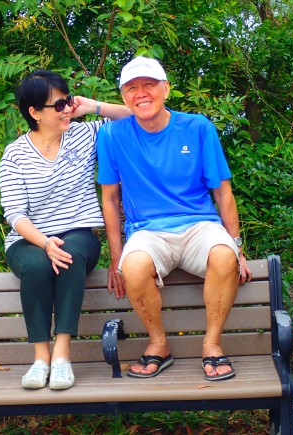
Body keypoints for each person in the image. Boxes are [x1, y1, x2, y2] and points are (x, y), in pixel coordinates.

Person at [96, 57, 253, 381]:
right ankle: (158, 343)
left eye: (149, 85)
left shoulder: (197, 128)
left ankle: (211, 345)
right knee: (134, 265)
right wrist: (116, 258)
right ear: (123, 96)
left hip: (200, 225)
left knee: (224, 256)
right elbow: (110, 199)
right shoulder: (112, 136)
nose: (141, 93)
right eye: (131, 88)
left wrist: (237, 247)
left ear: (166, 89)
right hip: (147, 232)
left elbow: (223, 193)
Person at [0, 69, 131, 390]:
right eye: (58, 105)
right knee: (36, 264)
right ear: (34, 113)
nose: (67, 110)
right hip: (29, 240)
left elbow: (133, 118)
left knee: (68, 253)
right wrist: (44, 243)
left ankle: (61, 355)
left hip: (79, 236)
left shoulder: (83, 135)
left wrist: (94, 106)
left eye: (68, 101)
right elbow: (15, 215)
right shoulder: (15, 155)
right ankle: (40, 357)